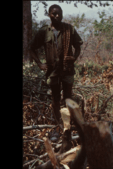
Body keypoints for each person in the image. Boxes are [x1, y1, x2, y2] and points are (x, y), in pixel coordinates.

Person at [28, 4, 83, 153]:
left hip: (67, 70)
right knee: (55, 99)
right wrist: (40, 63)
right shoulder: (44, 32)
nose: (57, 16)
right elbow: (31, 47)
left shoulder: (69, 29)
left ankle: (67, 129)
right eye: (54, 14)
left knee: (68, 99)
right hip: (52, 71)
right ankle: (57, 125)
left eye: (60, 13)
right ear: (49, 15)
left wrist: (74, 57)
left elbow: (78, 45)